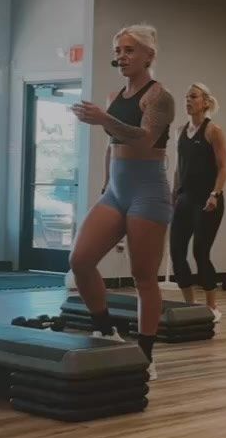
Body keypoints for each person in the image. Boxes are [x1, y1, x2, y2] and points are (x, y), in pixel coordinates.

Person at [70, 24, 174, 379]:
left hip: (148, 191)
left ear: (149, 55)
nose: (121, 57)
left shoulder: (159, 96)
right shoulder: (117, 94)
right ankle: (104, 328)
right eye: (118, 50)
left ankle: (146, 354)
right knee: (80, 260)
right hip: (116, 190)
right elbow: (113, 143)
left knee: (143, 276)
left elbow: (145, 140)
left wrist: (102, 117)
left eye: (129, 50)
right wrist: (104, 185)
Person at [170, 83, 226, 323]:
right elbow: (178, 167)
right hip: (185, 199)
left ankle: (213, 307)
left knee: (200, 252)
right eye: (186, 97)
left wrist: (215, 194)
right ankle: (189, 305)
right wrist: (174, 194)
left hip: (207, 200)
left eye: (193, 96)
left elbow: (223, 167)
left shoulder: (213, 131)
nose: (188, 100)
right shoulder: (180, 131)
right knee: (177, 253)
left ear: (205, 102)